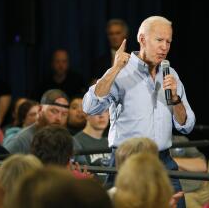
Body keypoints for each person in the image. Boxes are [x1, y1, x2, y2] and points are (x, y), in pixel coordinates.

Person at [83, 16, 195, 208]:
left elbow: (186, 126)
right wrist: (115, 68)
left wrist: (176, 100)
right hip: (127, 160)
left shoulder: (171, 74)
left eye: (168, 42)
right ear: (142, 39)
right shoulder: (121, 71)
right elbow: (90, 107)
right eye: (159, 40)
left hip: (163, 160)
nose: (164, 47)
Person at [5, 89, 69, 154]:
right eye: (54, 111)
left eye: (64, 114)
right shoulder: (21, 140)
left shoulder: (67, 140)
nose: (59, 118)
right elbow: (1, 162)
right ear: (40, 109)